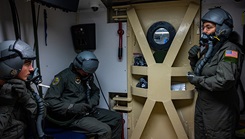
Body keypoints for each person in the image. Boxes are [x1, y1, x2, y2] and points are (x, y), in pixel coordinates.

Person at [187, 7, 244, 138]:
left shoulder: (230, 50)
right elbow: (201, 71)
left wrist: (198, 81)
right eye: (203, 27)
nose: (204, 31)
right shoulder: (210, 49)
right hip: (203, 103)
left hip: (220, 108)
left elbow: (224, 80)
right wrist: (193, 59)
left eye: (208, 27)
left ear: (221, 29)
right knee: (200, 135)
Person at [44, 51, 123, 139]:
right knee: (105, 130)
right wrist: (72, 107)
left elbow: (95, 91)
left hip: (87, 111)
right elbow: (49, 101)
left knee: (117, 118)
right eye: (85, 72)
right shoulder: (63, 77)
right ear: (77, 66)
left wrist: (92, 103)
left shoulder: (87, 76)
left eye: (89, 73)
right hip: (73, 117)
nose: (87, 74)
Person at [0, 39, 39, 138]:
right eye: (27, 63)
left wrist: (26, 98)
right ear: (12, 64)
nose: (31, 69)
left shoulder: (21, 85)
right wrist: (6, 104)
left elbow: (40, 114)